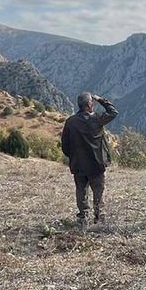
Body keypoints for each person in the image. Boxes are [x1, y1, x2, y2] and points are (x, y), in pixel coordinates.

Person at [60, 92, 118, 225]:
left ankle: (82, 219)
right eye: (92, 103)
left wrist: (74, 157)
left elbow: (65, 146)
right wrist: (101, 100)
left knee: (81, 192)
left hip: (79, 165)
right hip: (97, 165)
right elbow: (113, 112)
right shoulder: (97, 119)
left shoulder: (70, 122)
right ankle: (99, 218)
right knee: (98, 192)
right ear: (90, 105)